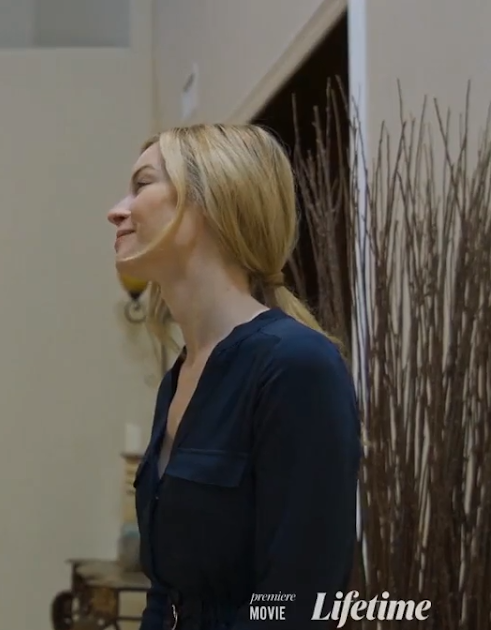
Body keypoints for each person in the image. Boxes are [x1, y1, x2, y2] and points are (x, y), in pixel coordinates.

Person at [108, 124, 362, 629]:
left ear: (208, 204)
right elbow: (166, 592)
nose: (117, 210)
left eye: (143, 185)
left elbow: (298, 603)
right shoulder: (180, 378)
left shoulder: (295, 365)